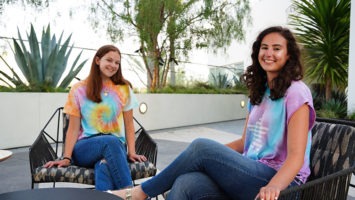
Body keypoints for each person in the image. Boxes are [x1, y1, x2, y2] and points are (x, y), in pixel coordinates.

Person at [110, 26, 316, 200]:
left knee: (201, 147)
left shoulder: (296, 91)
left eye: (277, 48)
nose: (269, 53)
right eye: (264, 47)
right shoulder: (260, 93)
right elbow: (244, 144)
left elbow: (296, 157)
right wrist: (209, 158)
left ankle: (139, 193)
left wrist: (275, 187)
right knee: (185, 183)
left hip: (281, 182)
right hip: (250, 172)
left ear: (288, 55)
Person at [44, 44, 147, 191]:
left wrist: (131, 152)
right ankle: (132, 193)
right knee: (110, 141)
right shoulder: (79, 89)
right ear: (98, 60)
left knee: (104, 166)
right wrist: (66, 157)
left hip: (115, 148)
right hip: (85, 147)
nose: (113, 65)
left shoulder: (124, 88)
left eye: (117, 62)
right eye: (109, 60)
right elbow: (73, 129)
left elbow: (129, 125)